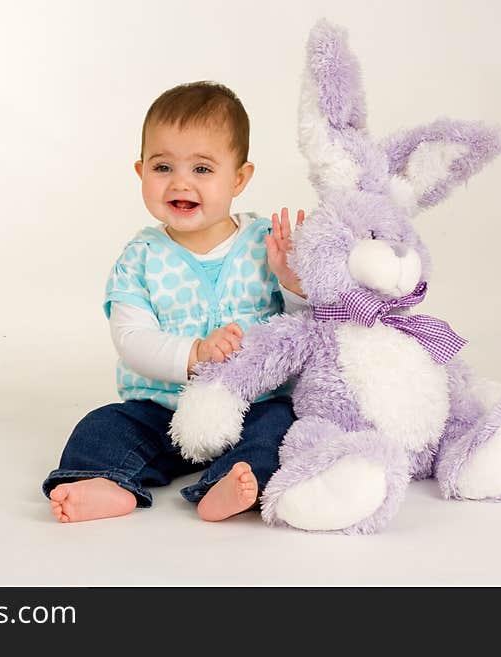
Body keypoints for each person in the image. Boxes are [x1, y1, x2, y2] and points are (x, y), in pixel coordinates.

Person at [41, 81, 306, 523]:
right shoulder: (140, 259)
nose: (180, 181)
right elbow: (131, 337)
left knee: (282, 427)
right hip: (164, 407)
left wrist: (295, 286)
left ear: (238, 178)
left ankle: (231, 482)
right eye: (163, 167)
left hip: (252, 404)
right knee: (102, 425)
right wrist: (194, 354)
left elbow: (302, 333)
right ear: (141, 171)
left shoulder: (266, 245)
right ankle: (105, 480)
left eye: (202, 169)